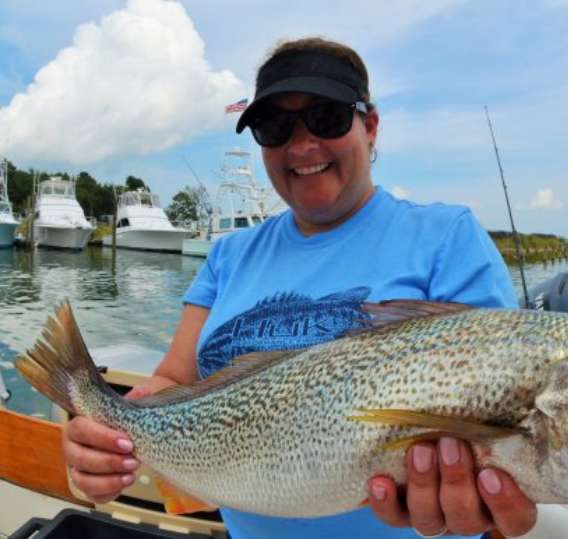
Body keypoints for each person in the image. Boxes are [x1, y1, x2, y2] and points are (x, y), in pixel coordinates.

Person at [61, 37, 537, 539]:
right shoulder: (228, 254)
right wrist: (104, 438)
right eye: (275, 127)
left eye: (327, 118)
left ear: (370, 126)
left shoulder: (446, 236)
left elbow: (494, 414)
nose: (302, 144)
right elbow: (174, 381)